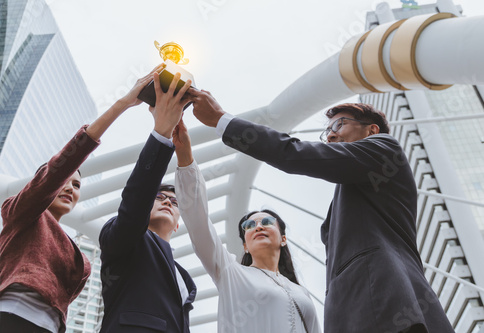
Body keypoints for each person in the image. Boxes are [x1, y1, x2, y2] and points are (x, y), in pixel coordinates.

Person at [188, 90, 454, 333]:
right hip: (355, 311)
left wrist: (223, 120)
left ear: (372, 130)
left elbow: (293, 153)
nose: (331, 135)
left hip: (384, 302)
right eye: (327, 130)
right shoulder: (353, 191)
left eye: (339, 124)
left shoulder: (384, 150)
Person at [0, 64, 166, 333]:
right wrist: (124, 103)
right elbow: (57, 171)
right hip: (8, 318)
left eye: (77, 185)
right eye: (65, 181)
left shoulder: (80, 258)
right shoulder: (19, 211)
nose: (70, 188)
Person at [173, 119, 320, 333]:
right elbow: (198, 221)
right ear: (244, 245)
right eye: (249, 225)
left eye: (267, 222)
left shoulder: (301, 293)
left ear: (283, 238)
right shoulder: (231, 274)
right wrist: (185, 157)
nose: (258, 227)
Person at [98, 72, 196, 332]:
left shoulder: (185, 277)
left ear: (177, 224)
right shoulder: (124, 238)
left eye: (175, 203)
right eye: (160, 197)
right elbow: (135, 203)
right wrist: (161, 133)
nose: (167, 202)